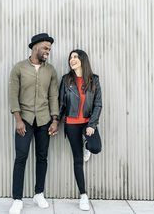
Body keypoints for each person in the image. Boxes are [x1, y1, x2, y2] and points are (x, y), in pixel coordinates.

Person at [8, 33, 59, 214]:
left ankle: (39, 193)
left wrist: (55, 120)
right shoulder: (19, 68)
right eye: (45, 48)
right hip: (25, 120)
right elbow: (13, 95)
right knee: (21, 158)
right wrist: (18, 120)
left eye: (49, 49)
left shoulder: (50, 70)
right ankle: (17, 199)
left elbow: (53, 95)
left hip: (44, 120)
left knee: (42, 157)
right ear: (35, 47)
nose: (47, 52)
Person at [58, 49, 102, 211]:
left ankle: (87, 146)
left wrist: (92, 124)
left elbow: (98, 104)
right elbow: (61, 103)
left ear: (83, 60)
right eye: (70, 58)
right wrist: (55, 121)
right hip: (71, 124)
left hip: (87, 123)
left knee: (96, 147)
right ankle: (83, 196)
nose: (72, 60)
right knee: (77, 160)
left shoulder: (94, 80)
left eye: (75, 57)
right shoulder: (66, 80)